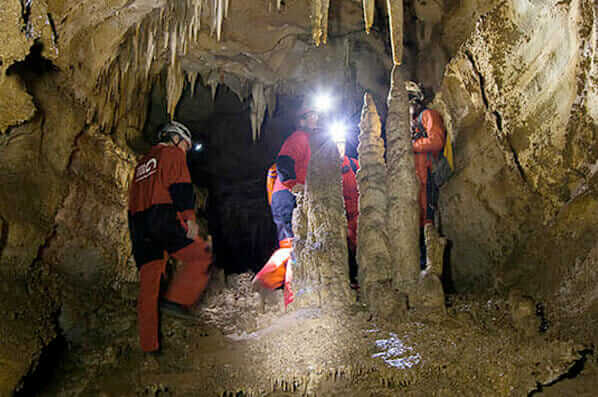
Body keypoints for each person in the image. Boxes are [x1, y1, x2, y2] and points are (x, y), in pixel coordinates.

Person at [128, 121, 213, 352]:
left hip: (139, 226)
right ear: (176, 139)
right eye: (185, 145)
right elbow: (181, 187)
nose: (185, 150)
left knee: (148, 287)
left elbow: (132, 200)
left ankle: (149, 347)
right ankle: (177, 301)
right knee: (201, 253)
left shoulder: (142, 163)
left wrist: (137, 234)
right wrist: (189, 219)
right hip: (162, 218)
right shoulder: (172, 154)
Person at [252, 102, 320, 307]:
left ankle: (264, 283)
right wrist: (293, 185)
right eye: (312, 115)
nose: (316, 119)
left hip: (287, 197)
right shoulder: (300, 137)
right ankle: (292, 297)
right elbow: (284, 161)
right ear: (303, 120)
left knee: (292, 246)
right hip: (287, 195)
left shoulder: (312, 142)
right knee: (295, 246)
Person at [406, 81, 446, 268]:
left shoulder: (427, 116)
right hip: (413, 180)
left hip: (427, 176)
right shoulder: (410, 127)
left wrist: (412, 146)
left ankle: (430, 270)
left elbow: (437, 141)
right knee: (414, 222)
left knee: (427, 221)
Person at [336, 139, 360, 288]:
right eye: (337, 144)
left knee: (360, 247)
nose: (340, 148)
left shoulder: (354, 164)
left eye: (342, 144)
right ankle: (347, 280)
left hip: (357, 216)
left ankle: (360, 276)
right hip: (340, 218)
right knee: (344, 249)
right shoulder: (326, 170)